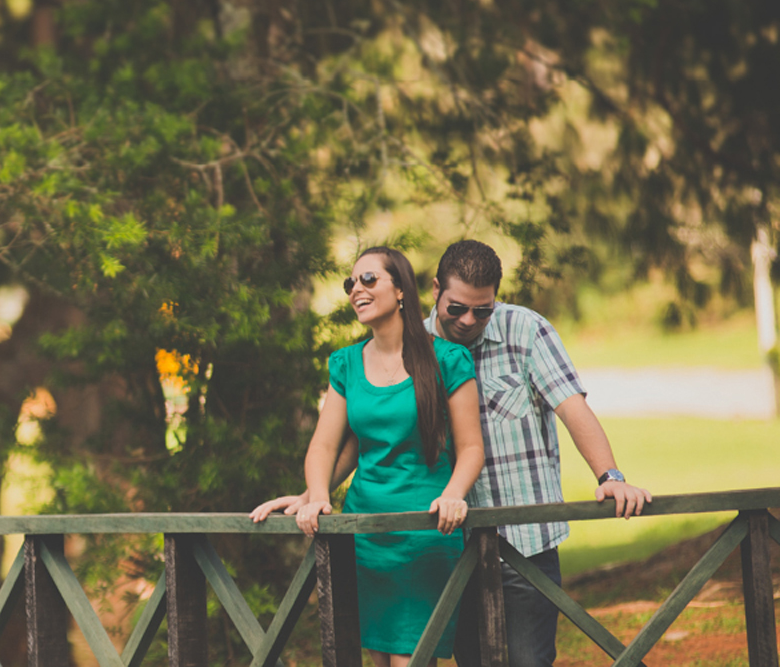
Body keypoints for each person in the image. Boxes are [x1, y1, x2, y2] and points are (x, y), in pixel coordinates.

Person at [251, 240, 652, 667]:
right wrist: (314, 493)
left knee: (529, 662)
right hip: (447, 539)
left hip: (521, 538)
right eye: (457, 307)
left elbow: (572, 407)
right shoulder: (399, 349)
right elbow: (350, 442)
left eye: (483, 310)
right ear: (436, 289)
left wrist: (609, 476)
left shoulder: (520, 332)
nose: (468, 320)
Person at [251, 246, 485, 667]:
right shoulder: (346, 363)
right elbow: (325, 446)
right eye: (351, 283)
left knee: (408, 661)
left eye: (369, 279)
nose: (356, 289)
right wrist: (315, 495)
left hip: (424, 532)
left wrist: (454, 494)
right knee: (377, 658)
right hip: (363, 537)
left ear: (401, 290)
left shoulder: (448, 359)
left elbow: (471, 448)